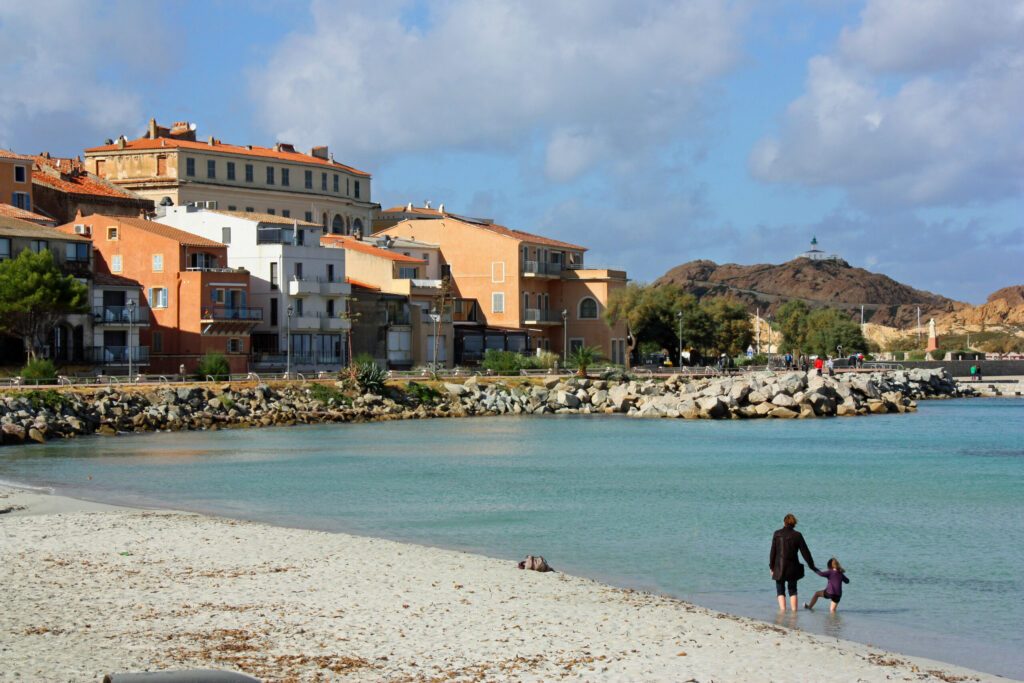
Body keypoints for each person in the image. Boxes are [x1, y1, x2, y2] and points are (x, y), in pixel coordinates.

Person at [769, 513, 817, 611]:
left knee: (780, 590)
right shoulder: (797, 535)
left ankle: (783, 612)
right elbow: (806, 553)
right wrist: (812, 566)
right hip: (792, 568)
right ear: (794, 524)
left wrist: (771, 566)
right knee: (793, 590)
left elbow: (772, 552)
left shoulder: (777, 534)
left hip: (779, 567)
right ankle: (794, 613)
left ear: (784, 522)